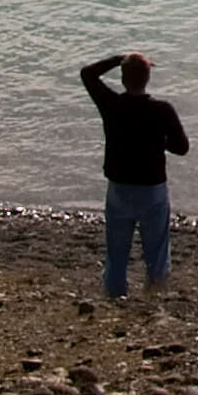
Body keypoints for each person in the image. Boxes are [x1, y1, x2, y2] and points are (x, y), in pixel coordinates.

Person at [78, 52, 188, 300]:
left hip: (119, 185)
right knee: (157, 249)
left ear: (123, 78)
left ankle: (115, 295)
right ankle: (155, 294)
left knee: (117, 251)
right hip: (152, 188)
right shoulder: (162, 110)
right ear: (147, 78)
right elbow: (182, 147)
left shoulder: (111, 104)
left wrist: (118, 58)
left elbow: (87, 73)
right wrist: (160, 142)